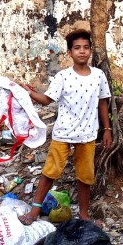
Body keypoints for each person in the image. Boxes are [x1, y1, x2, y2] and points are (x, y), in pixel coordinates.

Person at [17, 29, 112, 226]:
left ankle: (84, 215)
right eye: (77, 48)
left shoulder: (98, 75)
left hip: (87, 134)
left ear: (91, 50)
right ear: (69, 53)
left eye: (86, 47)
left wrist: (107, 130)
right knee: (50, 172)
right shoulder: (63, 76)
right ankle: (34, 211)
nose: (82, 51)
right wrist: (30, 93)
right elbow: (46, 100)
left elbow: (103, 103)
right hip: (63, 133)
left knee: (85, 176)